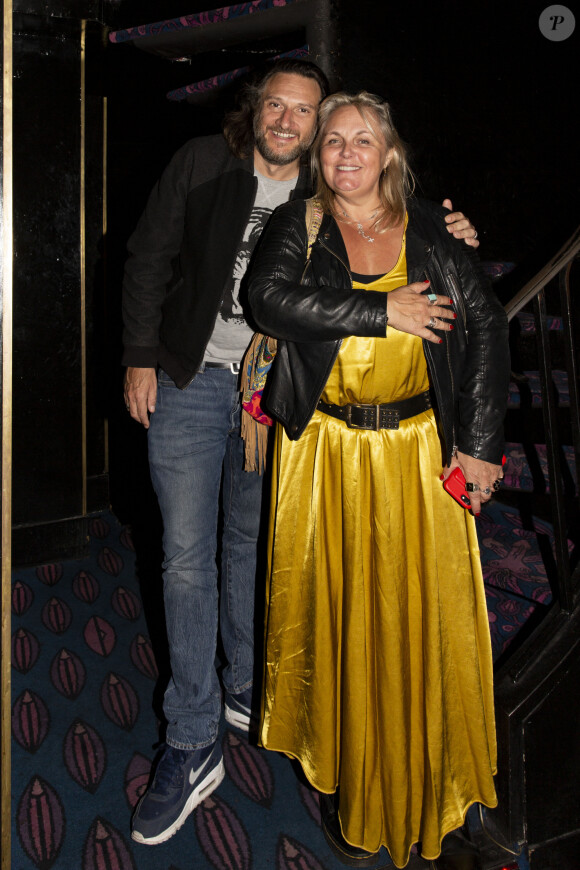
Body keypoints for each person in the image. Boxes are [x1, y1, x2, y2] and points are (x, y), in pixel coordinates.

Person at [122, 58, 480, 848]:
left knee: (254, 547)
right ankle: (190, 737)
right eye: (275, 105)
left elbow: (402, 220)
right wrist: (139, 355)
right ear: (255, 111)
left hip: (273, 397)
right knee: (186, 560)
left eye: (304, 112)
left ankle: (247, 687)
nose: (288, 121)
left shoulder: (330, 193)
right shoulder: (201, 163)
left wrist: (448, 225)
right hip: (190, 378)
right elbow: (149, 257)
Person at [248, 91, 509, 870]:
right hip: (325, 459)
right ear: (318, 157)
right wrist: (377, 311)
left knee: (426, 624)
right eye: (333, 142)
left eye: (363, 140)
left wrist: (483, 446)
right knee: (338, 621)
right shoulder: (302, 224)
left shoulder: (430, 227)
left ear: (389, 153)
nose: (347, 154)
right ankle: (349, 780)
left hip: (417, 455)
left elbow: (488, 324)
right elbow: (265, 298)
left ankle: (438, 784)